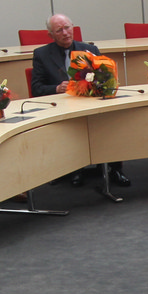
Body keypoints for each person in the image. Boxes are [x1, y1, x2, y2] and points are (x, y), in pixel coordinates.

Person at [30, 14, 128, 186]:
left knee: (111, 121)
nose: (65, 33)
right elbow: (36, 88)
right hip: (62, 106)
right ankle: (74, 168)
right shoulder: (41, 54)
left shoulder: (89, 49)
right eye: (59, 30)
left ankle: (115, 169)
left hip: (90, 102)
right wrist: (56, 88)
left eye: (67, 28)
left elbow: (106, 79)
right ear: (51, 35)